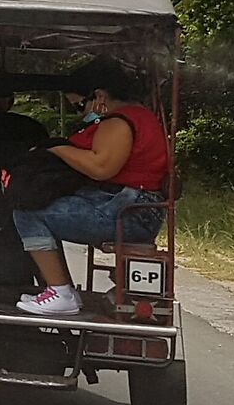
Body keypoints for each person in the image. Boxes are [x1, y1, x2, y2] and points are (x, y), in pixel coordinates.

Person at [12, 59, 171, 316]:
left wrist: (56, 147)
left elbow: (101, 167)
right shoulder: (140, 116)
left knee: (28, 211)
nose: (81, 113)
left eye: (80, 105)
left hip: (126, 213)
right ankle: (61, 289)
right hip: (131, 209)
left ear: (99, 96)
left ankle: (60, 293)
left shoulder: (118, 122)